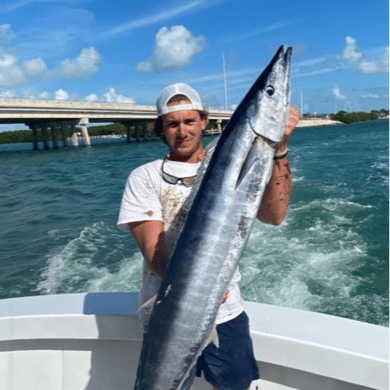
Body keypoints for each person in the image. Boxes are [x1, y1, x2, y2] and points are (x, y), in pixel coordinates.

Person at [117, 83, 299, 390]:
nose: (182, 131)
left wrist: (279, 147)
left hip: (228, 313)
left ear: (204, 121)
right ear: (160, 128)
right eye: (172, 124)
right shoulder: (144, 177)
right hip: (168, 313)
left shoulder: (232, 162)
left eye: (190, 121)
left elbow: (274, 216)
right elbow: (154, 253)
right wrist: (205, 288)